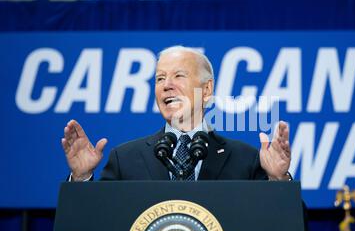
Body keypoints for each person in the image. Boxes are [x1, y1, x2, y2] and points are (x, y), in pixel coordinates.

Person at [61, 46, 293, 182]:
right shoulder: (125, 159)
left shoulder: (245, 159)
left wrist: (279, 180)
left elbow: (293, 230)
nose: (166, 85)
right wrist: (81, 178)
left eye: (178, 76)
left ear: (207, 90)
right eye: (160, 78)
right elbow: (91, 229)